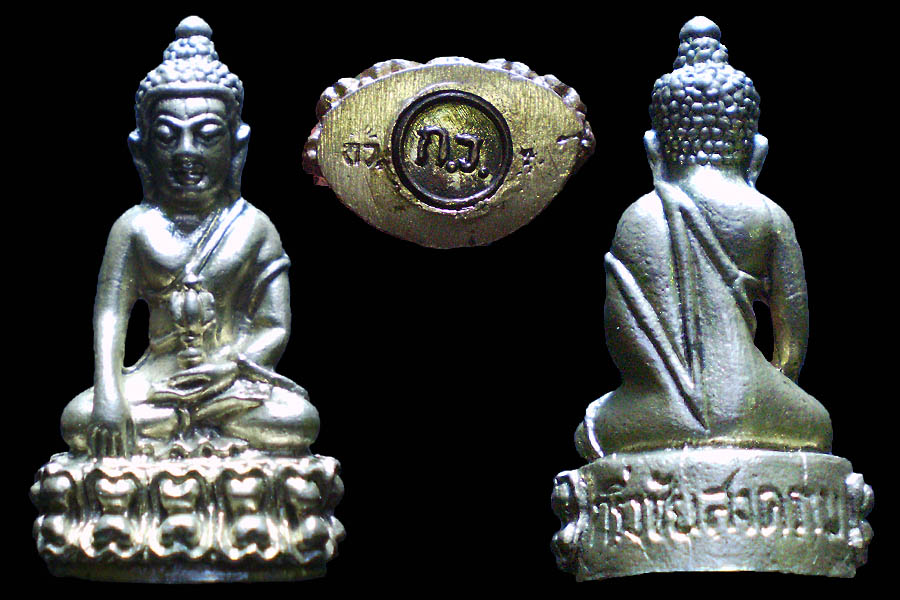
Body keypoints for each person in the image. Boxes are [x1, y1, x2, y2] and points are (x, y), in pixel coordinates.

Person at [576, 17, 832, 460]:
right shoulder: (769, 216)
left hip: (655, 411)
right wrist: (767, 392)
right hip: (754, 400)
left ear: (653, 150)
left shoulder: (636, 218)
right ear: (756, 152)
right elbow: (792, 345)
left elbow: (623, 342)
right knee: (817, 423)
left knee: (591, 430)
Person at [61, 17, 318, 457]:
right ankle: (186, 423)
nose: (186, 152)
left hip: (228, 381)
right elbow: (110, 315)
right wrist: (108, 393)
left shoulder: (254, 227)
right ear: (141, 149)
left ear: (237, 146)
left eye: (207, 136)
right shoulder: (133, 227)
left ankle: (177, 425)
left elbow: (273, 325)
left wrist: (228, 368)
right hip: (156, 380)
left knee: (297, 421)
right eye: (166, 137)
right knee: (80, 419)